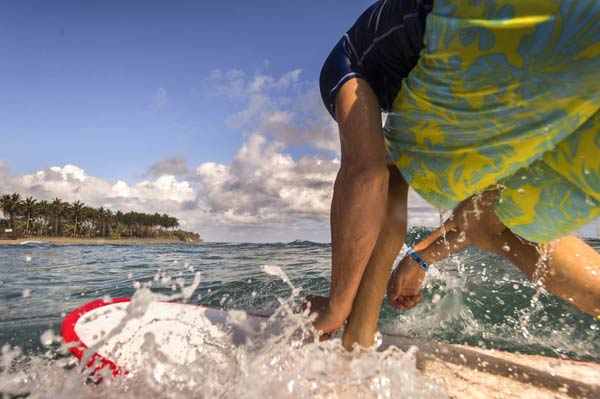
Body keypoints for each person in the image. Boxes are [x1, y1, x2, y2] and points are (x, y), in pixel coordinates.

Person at [305, 0, 600, 350]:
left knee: (390, 166)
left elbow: (366, 174)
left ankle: (356, 339)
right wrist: (420, 257)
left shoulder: (341, 67)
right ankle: (359, 339)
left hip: (485, 25)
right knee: (493, 214)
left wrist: (336, 307)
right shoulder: (404, 73)